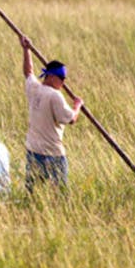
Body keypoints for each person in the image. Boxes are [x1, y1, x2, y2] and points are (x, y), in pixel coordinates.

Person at [20, 35, 84, 192]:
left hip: (33, 151)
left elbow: (28, 72)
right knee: (61, 194)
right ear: (52, 77)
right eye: (61, 78)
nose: (63, 82)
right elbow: (71, 119)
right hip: (53, 154)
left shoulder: (34, 88)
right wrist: (78, 106)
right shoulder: (55, 95)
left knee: (32, 193)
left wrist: (26, 50)